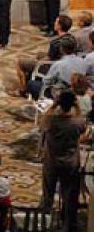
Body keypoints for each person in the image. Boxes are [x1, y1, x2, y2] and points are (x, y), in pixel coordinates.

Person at [39, 90, 85, 231]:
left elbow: (43, 120)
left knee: (48, 192)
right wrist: (77, 106)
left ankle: (44, 221)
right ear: (73, 104)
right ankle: (68, 224)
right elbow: (83, 127)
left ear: (59, 103)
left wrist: (54, 105)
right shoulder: (77, 122)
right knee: (69, 195)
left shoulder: (51, 120)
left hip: (52, 162)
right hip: (70, 162)